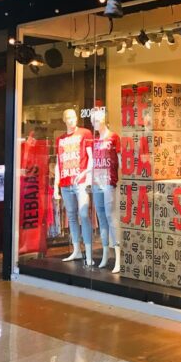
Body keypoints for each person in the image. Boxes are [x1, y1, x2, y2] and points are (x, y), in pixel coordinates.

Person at [54, 109, 94, 265]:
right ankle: (77, 250)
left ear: (77, 118)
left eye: (73, 117)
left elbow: (91, 158)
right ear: (64, 120)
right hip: (66, 183)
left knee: (83, 214)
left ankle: (89, 254)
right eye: (68, 118)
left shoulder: (85, 133)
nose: (71, 120)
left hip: (81, 181)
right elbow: (58, 163)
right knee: (71, 216)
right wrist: (56, 186)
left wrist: (88, 177)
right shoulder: (60, 140)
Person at [91, 108, 122, 273]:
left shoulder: (114, 137)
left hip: (109, 180)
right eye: (93, 121)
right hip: (97, 181)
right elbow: (93, 162)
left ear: (103, 120)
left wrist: (123, 177)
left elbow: (120, 160)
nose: (95, 124)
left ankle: (118, 257)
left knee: (111, 216)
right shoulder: (94, 140)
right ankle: (105, 254)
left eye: (97, 120)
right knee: (101, 218)